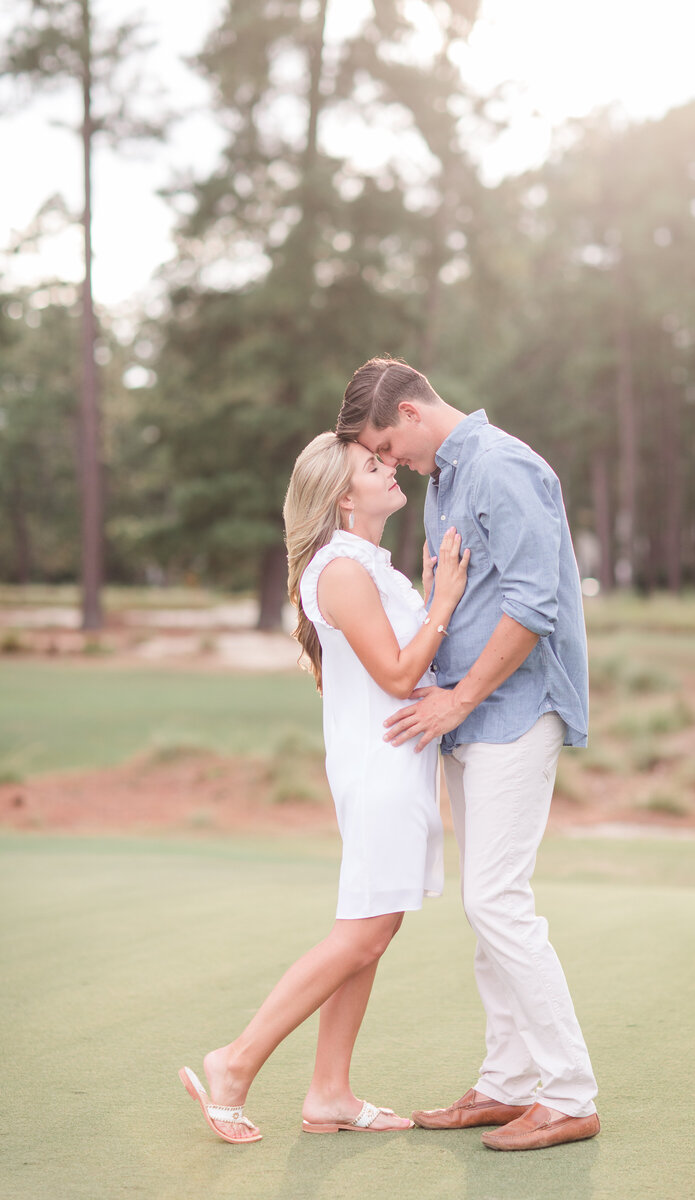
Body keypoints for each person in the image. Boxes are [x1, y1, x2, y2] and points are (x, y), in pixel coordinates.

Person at [336, 358, 600, 1153]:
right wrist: (440, 690)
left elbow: (533, 604)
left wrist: (458, 697)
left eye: (388, 444)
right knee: (486, 910)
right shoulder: (449, 479)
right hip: (468, 714)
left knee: (496, 901)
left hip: (515, 711)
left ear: (413, 412)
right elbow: (466, 597)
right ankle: (508, 1083)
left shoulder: (501, 467)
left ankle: (569, 1093)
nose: (393, 464)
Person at [179, 431, 469, 1141]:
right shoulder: (341, 570)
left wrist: (430, 599)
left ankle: (330, 1093)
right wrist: (445, 601)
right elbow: (400, 676)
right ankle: (235, 1062)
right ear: (344, 497)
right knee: (362, 933)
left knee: (374, 929)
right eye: (375, 465)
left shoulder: (369, 566)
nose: (392, 466)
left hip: (394, 770)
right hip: (380, 775)